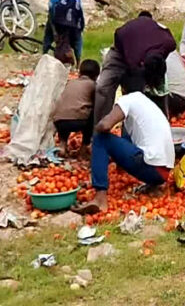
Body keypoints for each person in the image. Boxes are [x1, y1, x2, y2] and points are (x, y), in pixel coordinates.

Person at [74, 58, 175, 215]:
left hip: (151, 167)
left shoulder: (128, 99)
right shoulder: (147, 103)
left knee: (100, 138)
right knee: (122, 131)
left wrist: (93, 127)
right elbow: (127, 140)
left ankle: (100, 198)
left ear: (123, 87)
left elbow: (106, 125)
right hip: (163, 172)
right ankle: (152, 186)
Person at [94, 11, 176, 121]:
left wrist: (154, 83)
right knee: (103, 87)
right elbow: (131, 84)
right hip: (121, 50)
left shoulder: (169, 43)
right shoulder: (134, 57)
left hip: (144, 54)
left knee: (153, 92)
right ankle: (100, 127)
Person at [53, 58, 100, 156]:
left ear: (79, 72)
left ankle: (62, 145)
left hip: (59, 121)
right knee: (94, 113)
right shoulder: (93, 85)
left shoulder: (70, 83)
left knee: (65, 112)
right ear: (96, 76)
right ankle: (83, 147)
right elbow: (97, 104)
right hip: (79, 121)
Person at [42, 0, 85, 65]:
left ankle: (78, 63)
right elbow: (50, 17)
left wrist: (78, 59)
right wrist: (54, 32)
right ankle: (43, 56)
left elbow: (79, 35)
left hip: (72, 16)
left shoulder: (76, 14)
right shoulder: (55, 6)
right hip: (57, 14)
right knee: (48, 36)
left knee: (76, 39)